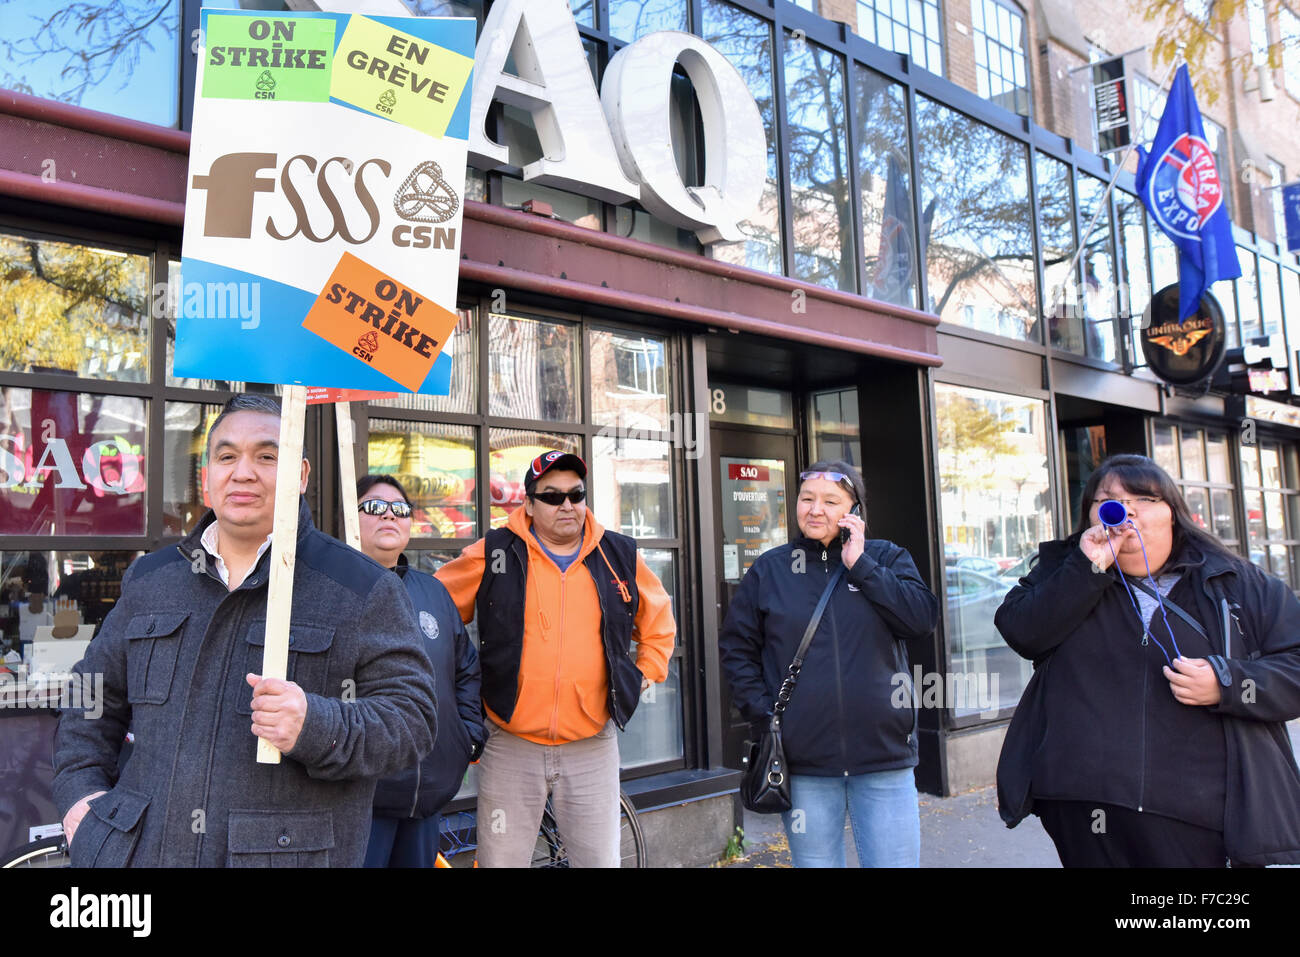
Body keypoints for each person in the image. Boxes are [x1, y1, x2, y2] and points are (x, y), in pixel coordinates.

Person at [52, 394, 438, 867]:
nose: (243, 472)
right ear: (208, 478)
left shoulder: (361, 588)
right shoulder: (151, 580)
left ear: (301, 475)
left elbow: (412, 721)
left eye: (267, 456)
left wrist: (316, 726)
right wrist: (80, 799)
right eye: (227, 456)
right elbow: (92, 695)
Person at [995, 454, 1300, 867]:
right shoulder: (1062, 572)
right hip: (1080, 805)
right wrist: (1085, 570)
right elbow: (1023, 632)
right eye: (1110, 499)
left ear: (1174, 513)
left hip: (1199, 814)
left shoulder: (1237, 582)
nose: (1128, 508)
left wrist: (1227, 682)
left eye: (1144, 497)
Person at [435, 450, 675, 867]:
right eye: (552, 496)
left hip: (592, 746)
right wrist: (455, 684)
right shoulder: (495, 552)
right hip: (510, 743)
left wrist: (646, 671)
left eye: (575, 494)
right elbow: (433, 609)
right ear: (528, 504)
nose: (567, 504)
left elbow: (657, 619)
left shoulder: (617, 555)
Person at [719, 460, 939, 867]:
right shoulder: (771, 569)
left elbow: (921, 619)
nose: (815, 509)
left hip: (884, 760)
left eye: (830, 501)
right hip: (805, 768)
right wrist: (766, 714)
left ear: (853, 510)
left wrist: (863, 566)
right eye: (807, 499)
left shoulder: (886, 559)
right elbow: (737, 649)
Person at [356, 474, 485, 868]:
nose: (389, 516)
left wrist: (467, 737)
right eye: (376, 507)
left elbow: (465, 668)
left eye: (400, 509)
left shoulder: (434, 592)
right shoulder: (331, 589)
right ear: (352, 515)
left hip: (427, 795)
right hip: (360, 799)